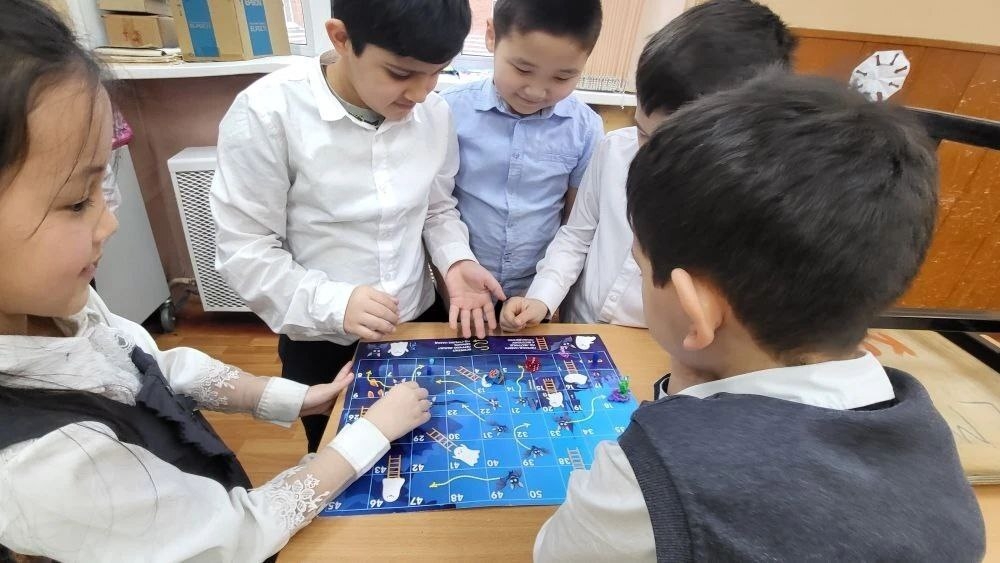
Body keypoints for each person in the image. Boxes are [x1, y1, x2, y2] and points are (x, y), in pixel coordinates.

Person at [0, 2, 431, 560]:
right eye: (78, 201)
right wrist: (369, 434)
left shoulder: (62, 308)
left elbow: (150, 366)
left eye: (102, 189)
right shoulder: (44, 464)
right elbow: (237, 534)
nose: (109, 223)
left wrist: (297, 398)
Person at [534, 71, 986, 561]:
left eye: (642, 267)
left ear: (693, 308)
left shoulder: (647, 475)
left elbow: (555, 553)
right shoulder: (927, 430)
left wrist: (671, 413)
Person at [211, 0, 504, 453]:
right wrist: (337, 303)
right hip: (323, 340)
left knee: (430, 448)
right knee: (339, 459)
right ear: (341, 38)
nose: (421, 93)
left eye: (437, 72)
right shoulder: (267, 112)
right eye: (401, 73)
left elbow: (436, 208)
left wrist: (455, 262)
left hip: (415, 320)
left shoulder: (435, 112)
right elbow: (245, 251)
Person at [501, 0, 796, 330]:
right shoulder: (614, 150)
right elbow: (576, 237)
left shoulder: (748, 202)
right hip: (582, 325)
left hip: (659, 343)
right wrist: (542, 297)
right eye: (642, 130)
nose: (648, 157)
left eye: (674, 147)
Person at [441, 0, 605, 309]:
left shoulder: (585, 128)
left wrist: (545, 296)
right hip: (458, 289)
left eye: (562, 78)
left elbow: (574, 225)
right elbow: (437, 208)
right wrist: (450, 272)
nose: (536, 91)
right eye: (523, 69)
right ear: (492, 36)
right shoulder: (449, 110)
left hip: (534, 292)